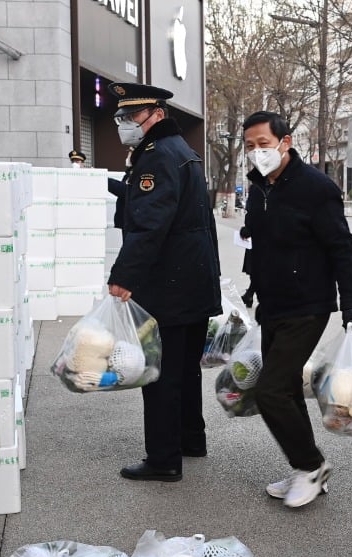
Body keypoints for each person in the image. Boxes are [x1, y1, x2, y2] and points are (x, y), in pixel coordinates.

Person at [241, 110, 352, 508]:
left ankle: (311, 465)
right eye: (250, 146)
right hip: (273, 304)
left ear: (285, 142)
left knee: (271, 391)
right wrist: (251, 292)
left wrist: (351, 305)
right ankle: (305, 469)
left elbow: (342, 248)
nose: (257, 153)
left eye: (263, 144)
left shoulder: (316, 189)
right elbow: (259, 246)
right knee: (287, 389)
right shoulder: (259, 187)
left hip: (308, 304)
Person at [107, 82, 221, 481]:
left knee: (158, 373)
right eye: (122, 117)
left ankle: (163, 459)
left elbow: (149, 225)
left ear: (156, 114)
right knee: (185, 370)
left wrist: (123, 276)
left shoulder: (156, 158)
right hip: (192, 281)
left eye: (132, 116)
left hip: (169, 284)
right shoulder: (181, 153)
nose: (125, 124)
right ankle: (191, 439)